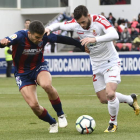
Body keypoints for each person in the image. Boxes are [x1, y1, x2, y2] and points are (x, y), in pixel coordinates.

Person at [45, 5, 140, 132]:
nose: (82, 25)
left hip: (110, 62)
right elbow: (59, 25)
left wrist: (94, 38)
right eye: (79, 23)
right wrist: (48, 28)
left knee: (110, 93)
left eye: (83, 22)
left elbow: (114, 34)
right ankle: (130, 99)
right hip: (96, 65)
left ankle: (113, 123)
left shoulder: (99, 20)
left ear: (89, 16)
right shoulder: (76, 24)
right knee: (103, 98)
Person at [0, 20, 85, 133]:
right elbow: (5, 42)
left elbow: (62, 39)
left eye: (41, 37)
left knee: (46, 85)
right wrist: (2, 43)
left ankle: (61, 114)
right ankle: (52, 122)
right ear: (29, 33)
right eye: (37, 37)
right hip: (22, 73)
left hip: (38, 66)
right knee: (34, 105)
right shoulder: (19, 36)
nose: (40, 40)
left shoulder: (45, 35)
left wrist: (81, 45)